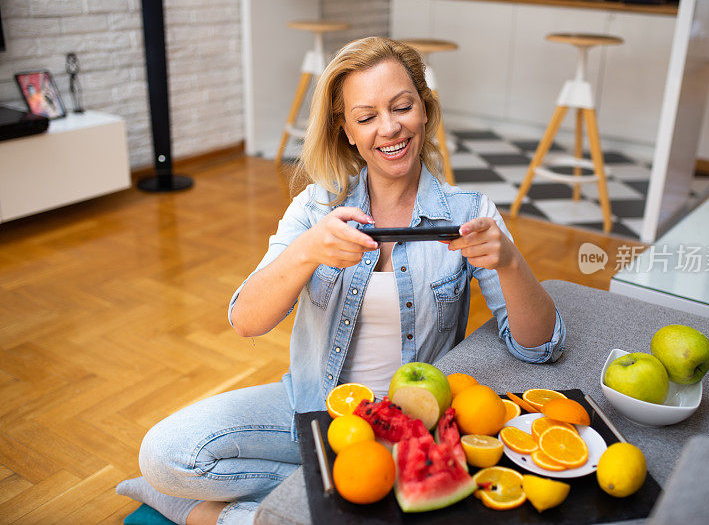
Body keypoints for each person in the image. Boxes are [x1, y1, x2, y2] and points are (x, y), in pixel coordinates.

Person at [116, 36, 565, 525]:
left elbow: (540, 347)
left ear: (425, 110)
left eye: (402, 107)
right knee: (164, 453)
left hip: (410, 430)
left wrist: (510, 263)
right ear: (347, 130)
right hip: (312, 410)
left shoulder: (469, 212)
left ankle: (219, 517)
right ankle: (337, 492)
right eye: (367, 116)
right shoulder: (315, 207)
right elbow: (245, 320)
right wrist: (309, 250)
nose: (390, 128)